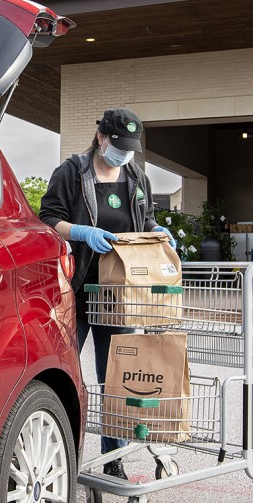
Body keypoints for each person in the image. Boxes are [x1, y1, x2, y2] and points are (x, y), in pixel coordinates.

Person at [38, 107, 175, 480]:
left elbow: (144, 222)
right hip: (78, 288)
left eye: (131, 148)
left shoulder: (136, 177)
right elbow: (47, 218)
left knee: (114, 380)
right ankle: (61, 457)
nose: (125, 153)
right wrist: (82, 233)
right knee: (66, 376)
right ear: (102, 138)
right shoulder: (73, 172)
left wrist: (158, 230)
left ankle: (111, 460)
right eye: (119, 145)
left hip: (121, 297)